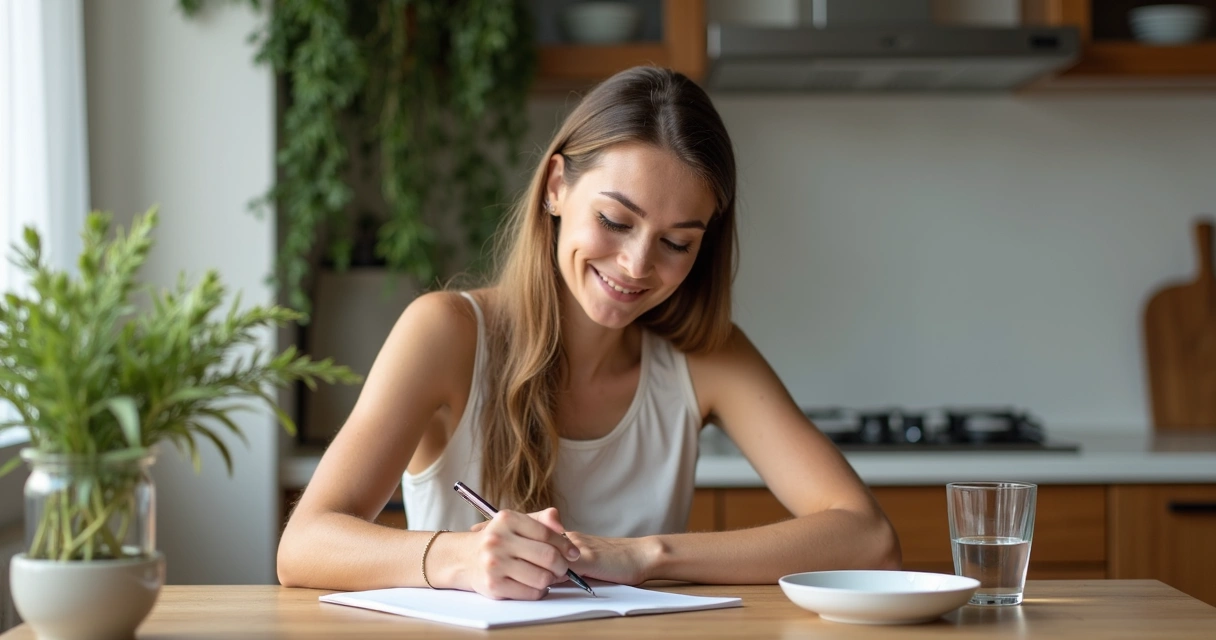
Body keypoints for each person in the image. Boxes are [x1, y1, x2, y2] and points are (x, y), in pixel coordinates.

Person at [277, 66, 900, 600]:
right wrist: (455, 559)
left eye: (676, 243)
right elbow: (304, 545)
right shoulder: (446, 332)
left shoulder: (705, 356)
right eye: (614, 220)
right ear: (555, 187)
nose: (636, 265)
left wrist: (644, 556)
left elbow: (867, 539)